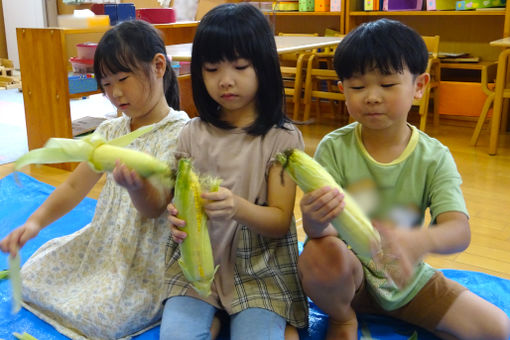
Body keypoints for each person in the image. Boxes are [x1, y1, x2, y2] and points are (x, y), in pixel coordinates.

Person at [297, 18, 510, 340]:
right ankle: (343, 319)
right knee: (317, 252)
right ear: (343, 91)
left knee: (497, 329)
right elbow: (322, 231)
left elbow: (458, 230)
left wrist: (420, 241)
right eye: (357, 87)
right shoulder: (334, 147)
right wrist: (313, 220)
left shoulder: (434, 156)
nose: (371, 97)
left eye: (387, 84)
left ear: (420, 85)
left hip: (407, 279)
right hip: (347, 278)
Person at [0, 20, 189, 339]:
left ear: (158, 66)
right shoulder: (112, 131)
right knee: (35, 273)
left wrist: (138, 188)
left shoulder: (183, 134)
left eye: (123, 79)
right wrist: (34, 223)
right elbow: (75, 185)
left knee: (104, 319)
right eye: (105, 84)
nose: (115, 93)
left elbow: (154, 209)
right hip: (104, 240)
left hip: (142, 258)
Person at [158, 3, 308, 340]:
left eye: (240, 66)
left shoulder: (281, 139)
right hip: (196, 268)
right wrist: (174, 217)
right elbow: (174, 202)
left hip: (259, 269)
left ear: (264, 68)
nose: (226, 81)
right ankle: (215, 319)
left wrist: (236, 207)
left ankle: (274, 322)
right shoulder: (191, 134)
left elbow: (280, 220)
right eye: (212, 69)